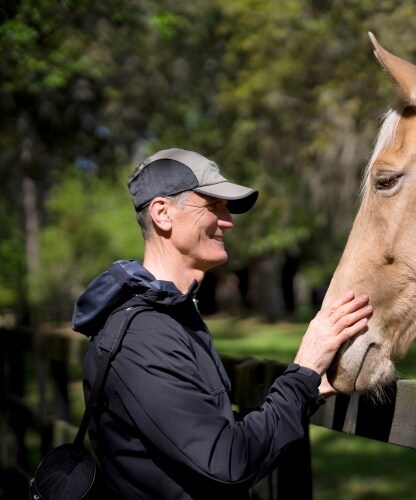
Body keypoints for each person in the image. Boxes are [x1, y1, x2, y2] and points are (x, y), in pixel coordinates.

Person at [72, 148, 372, 498]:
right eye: (213, 207)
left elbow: (202, 434)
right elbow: (227, 462)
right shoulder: (142, 336)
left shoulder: (173, 314)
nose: (228, 221)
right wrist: (304, 369)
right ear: (162, 214)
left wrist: (307, 390)